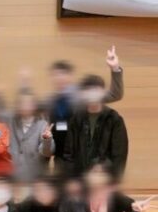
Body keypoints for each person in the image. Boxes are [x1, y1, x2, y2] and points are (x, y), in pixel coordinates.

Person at [46, 46, 124, 174]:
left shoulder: (82, 96)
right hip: (60, 159)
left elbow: (115, 94)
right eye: (56, 75)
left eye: (63, 74)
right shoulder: (49, 101)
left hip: (81, 159)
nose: (60, 78)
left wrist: (115, 68)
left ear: (70, 76)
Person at [63, 75, 128, 180]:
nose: (92, 94)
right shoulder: (76, 119)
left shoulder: (114, 119)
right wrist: (71, 179)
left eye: (96, 90)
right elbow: (69, 154)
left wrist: (112, 178)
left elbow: (119, 154)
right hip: (80, 179)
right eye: (89, 91)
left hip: (104, 179)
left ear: (103, 92)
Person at [9, 90, 54, 183]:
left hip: (35, 179)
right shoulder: (10, 124)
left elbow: (47, 153)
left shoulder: (42, 125)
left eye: (29, 103)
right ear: (17, 105)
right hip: (13, 180)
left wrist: (47, 140)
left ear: (34, 106)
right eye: (22, 103)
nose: (25, 106)